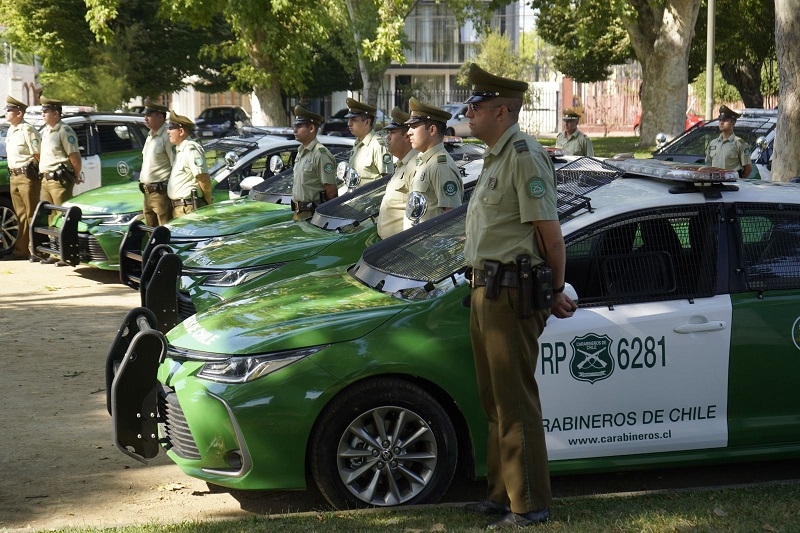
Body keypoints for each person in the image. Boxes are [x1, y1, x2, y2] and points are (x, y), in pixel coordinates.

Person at [462, 63, 576, 530]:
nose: (468, 112)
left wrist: (553, 291)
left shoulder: (524, 154)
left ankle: (529, 506)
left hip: (510, 294)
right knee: (494, 403)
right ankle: (501, 494)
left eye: (476, 105)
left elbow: (551, 237)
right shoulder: (496, 155)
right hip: (485, 291)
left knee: (515, 405)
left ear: (502, 111)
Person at [403, 97, 463, 230]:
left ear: (432, 130)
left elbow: (451, 219)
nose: (408, 132)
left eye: (414, 127)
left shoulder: (441, 166)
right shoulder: (425, 162)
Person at [4, 96, 41, 261]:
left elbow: (38, 154)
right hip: (14, 175)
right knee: (20, 215)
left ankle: (36, 250)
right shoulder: (12, 130)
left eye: (9, 110)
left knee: (32, 213)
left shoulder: (28, 130)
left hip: (27, 176)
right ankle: (21, 251)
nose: (6, 112)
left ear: (18, 113)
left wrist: (37, 174)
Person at [377, 106, 418, 239]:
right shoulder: (402, 164)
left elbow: (416, 215)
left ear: (406, 136)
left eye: (392, 132)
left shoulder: (415, 166)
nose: (387, 137)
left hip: (401, 248)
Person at [291, 105, 338, 221]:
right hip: (299, 213)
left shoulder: (320, 154)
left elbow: (331, 191)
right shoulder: (301, 152)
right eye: (295, 126)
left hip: (313, 215)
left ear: (311, 128)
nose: (294, 130)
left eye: (299, 126)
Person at [166, 112, 213, 218]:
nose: (168, 131)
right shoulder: (181, 149)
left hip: (188, 208)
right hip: (181, 207)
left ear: (181, 131)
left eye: (170, 127)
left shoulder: (191, 149)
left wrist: (207, 200)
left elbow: (203, 178)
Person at [139, 100, 175, 226]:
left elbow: (175, 164)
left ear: (160, 117)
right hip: (147, 193)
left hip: (160, 193)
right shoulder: (150, 135)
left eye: (149, 115)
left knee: (164, 231)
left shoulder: (167, 135)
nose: (145, 118)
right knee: (151, 234)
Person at [345, 97, 393, 184]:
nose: (349, 124)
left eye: (354, 120)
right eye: (349, 120)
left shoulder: (378, 145)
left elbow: (387, 181)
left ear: (367, 122)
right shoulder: (357, 143)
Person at [705, 105, 752, 178]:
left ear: (733, 122)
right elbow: (708, 164)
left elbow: (748, 168)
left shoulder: (739, 143)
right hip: (715, 182)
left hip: (732, 184)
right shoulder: (713, 143)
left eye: (725, 120)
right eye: (720, 120)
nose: (721, 122)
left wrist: (740, 181)